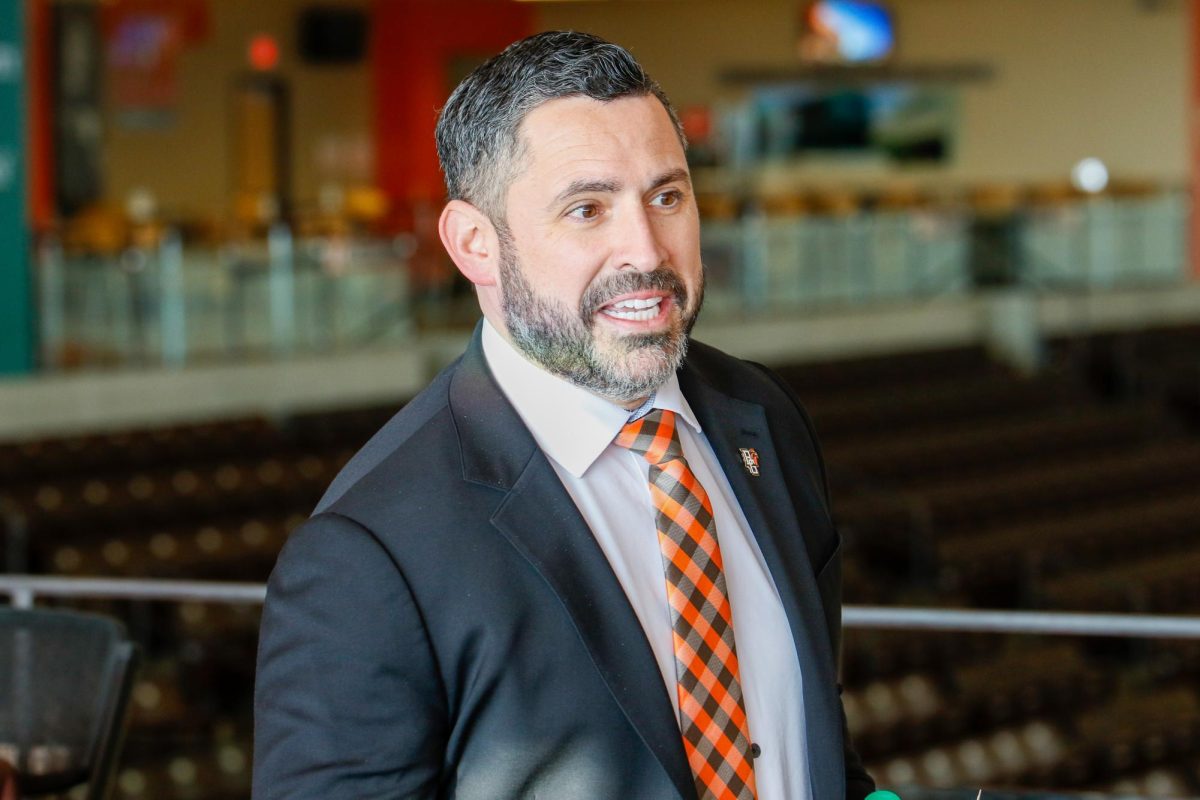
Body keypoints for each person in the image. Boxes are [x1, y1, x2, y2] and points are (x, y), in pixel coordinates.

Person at [253, 30, 874, 800]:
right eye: (587, 208)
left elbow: (810, 741)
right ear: (476, 245)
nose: (645, 249)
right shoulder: (368, 555)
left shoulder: (765, 419)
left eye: (668, 196)